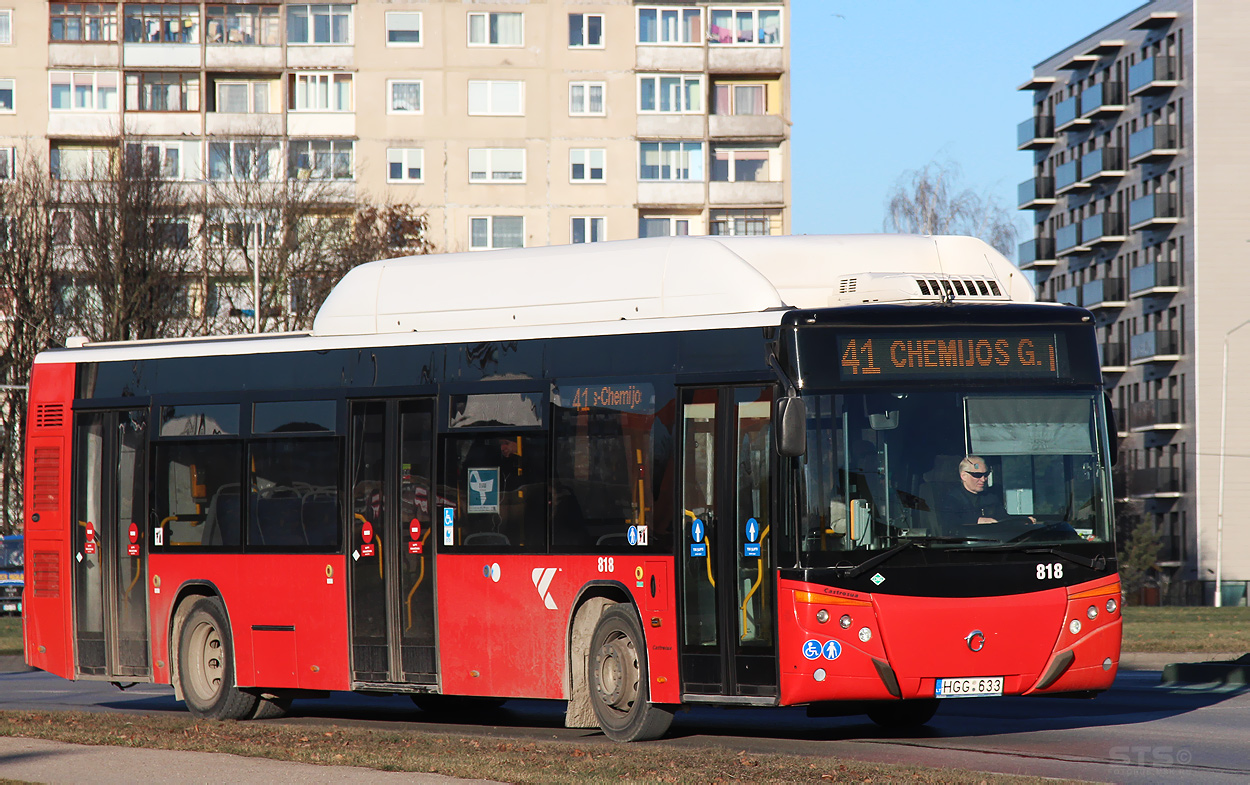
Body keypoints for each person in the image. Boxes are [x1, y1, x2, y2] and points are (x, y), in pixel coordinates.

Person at [937, 455, 1009, 529]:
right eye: (977, 475)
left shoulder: (991, 497)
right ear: (964, 476)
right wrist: (976, 521)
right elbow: (949, 523)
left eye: (986, 475)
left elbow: (1005, 520)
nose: (983, 479)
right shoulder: (952, 500)